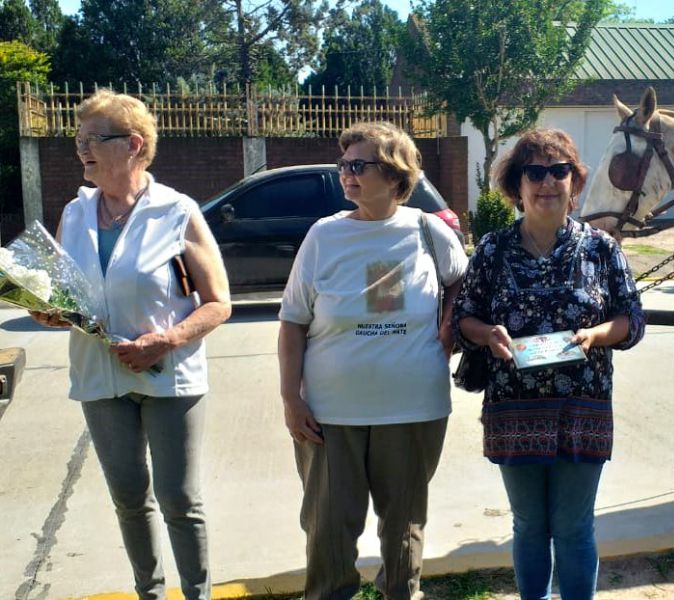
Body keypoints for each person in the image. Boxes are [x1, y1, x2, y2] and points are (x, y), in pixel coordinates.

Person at [29, 89, 231, 600]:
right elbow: (66, 297)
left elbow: (218, 302)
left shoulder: (176, 211)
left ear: (134, 144)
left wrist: (168, 339)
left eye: (95, 139)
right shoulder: (74, 214)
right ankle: (150, 593)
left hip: (169, 377)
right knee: (128, 498)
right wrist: (49, 312)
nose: (82, 149)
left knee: (178, 499)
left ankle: (197, 595)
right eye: (79, 140)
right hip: (100, 378)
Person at [278, 121, 467, 600]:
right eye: (344, 165)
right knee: (327, 533)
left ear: (395, 174)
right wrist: (289, 397)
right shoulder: (323, 236)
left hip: (412, 408)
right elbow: (293, 322)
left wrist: (450, 323)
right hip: (329, 414)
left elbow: (462, 283)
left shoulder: (428, 231)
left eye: (360, 165)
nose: (348, 174)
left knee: (403, 530)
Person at [453, 128, 646, 599]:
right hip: (513, 410)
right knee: (529, 525)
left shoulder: (601, 249)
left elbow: (632, 319)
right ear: (516, 186)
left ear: (574, 183)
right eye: (533, 172)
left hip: (583, 407)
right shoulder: (493, 251)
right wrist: (487, 333)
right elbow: (464, 318)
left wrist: (599, 334)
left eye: (558, 171)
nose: (546, 182)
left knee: (575, 527)